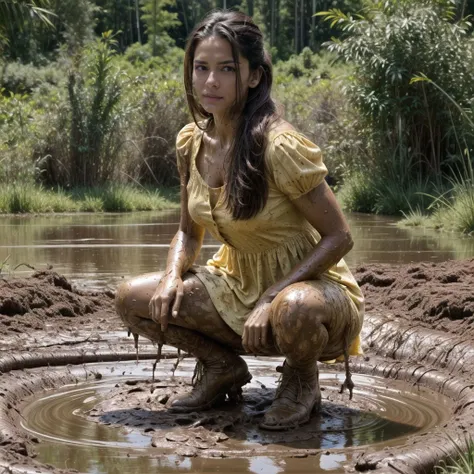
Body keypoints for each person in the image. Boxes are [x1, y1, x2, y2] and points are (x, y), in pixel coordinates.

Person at [115, 9, 364, 431]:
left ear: (252, 76)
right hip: (235, 285)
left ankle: (302, 380)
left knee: (294, 308)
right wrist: (173, 274)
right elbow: (186, 231)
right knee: (132, 298)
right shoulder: (190, 142)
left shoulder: (280, 146)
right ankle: (220, 367)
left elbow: (339, 236)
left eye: (226, 69)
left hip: (313, 293)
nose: (210, 81)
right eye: (201, 68)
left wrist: (271, 296)